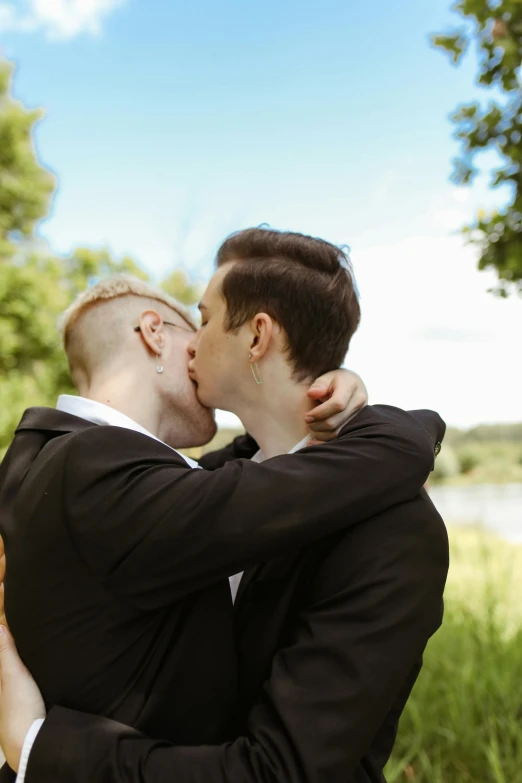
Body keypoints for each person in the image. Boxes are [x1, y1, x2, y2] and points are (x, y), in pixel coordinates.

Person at [0, 227, 446, 783]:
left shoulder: (394, 534)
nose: (194, 344)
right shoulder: (191, 483)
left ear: (257, 338)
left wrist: (40, 750)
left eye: (204, 319)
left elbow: (282, 771)